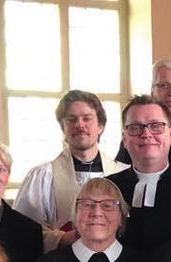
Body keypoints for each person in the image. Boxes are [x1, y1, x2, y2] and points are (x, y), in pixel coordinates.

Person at [14, 90, 126, 251]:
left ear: (100, 126)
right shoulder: (42, 177)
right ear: (63, 127)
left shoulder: (121, 174)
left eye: (87, 118)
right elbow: (23, 230)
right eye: (71, 119)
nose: (79, 125)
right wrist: (63, 238)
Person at [106, 95, 171, 260]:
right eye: (135, 128)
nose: (146, 134)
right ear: (125, 139)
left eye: (156, 126)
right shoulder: (108, 188)